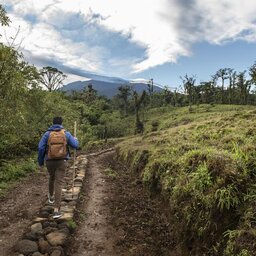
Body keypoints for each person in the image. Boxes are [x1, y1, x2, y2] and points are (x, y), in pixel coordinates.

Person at [38, 117, 79, 219]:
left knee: (52, 177)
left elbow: (40, 147)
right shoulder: (66, 133)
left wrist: (40, 162)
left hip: (49, 161)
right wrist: (75, 140)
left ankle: (51, 196)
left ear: (52, 123)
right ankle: (56, 210)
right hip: (62, 161)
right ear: (61, 123)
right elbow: (75, 145)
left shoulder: (47, 134)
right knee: (59, 183)